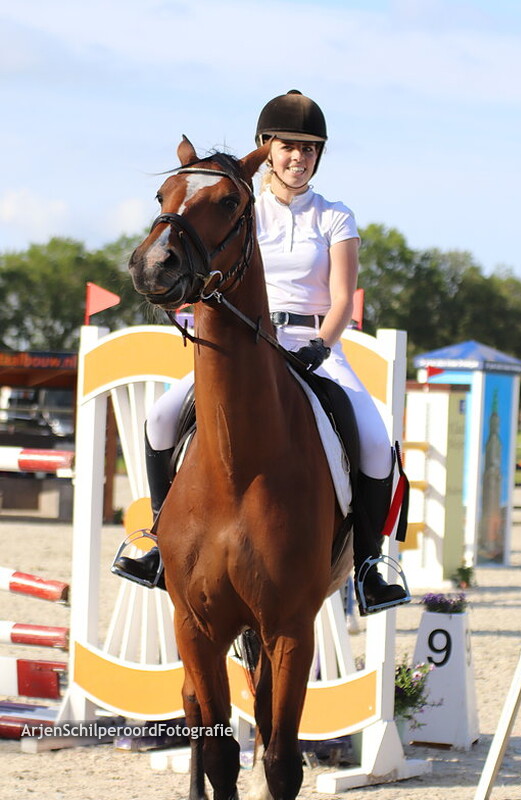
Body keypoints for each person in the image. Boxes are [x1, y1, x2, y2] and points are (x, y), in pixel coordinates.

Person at [113, 90, 409, 615]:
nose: (298, 158)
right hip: (244, 342)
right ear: (265, 150)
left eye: (309, 149)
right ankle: (159, 540)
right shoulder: (238, 205)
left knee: (375, 439)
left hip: (314, 343)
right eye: (288, 147)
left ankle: (369, 566)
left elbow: (342, 299)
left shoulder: (335, 217)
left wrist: (323, 344)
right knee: (160, 417)